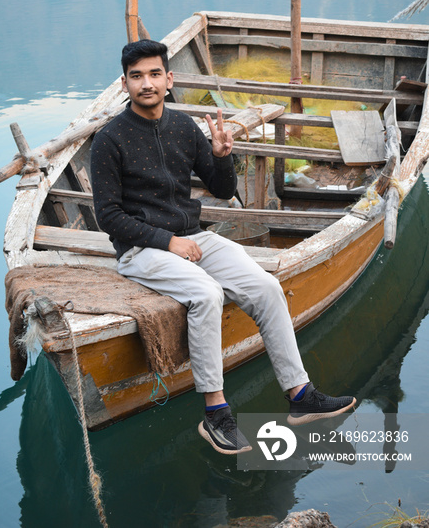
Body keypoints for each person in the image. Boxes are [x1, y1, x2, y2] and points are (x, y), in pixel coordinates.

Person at [90, 39, 356, 455]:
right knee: (206, 294)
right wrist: (168, 241)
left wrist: (222, 155)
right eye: (137, 76)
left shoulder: (182, 128)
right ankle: (215, 413)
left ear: (169, 78)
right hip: (140, 250)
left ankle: (300, 396)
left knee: (266, 287)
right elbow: (107, 216)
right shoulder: (109, 140)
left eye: (155, 74)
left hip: (193, 238)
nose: (147, 83)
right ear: (124, 84)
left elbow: (223, 189)